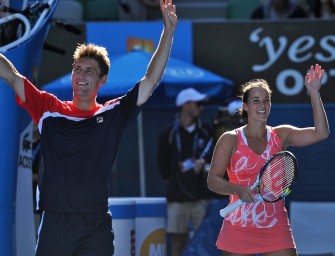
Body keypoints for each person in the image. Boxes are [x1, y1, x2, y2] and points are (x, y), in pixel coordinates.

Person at [0, 0, 177, 255]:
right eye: (78, 69)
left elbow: (150, 81)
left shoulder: (113, 113)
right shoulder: (48, 108)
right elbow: (11, 76)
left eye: (89, 71)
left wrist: (168, 32)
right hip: (55, 222)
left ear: (102, 80)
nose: (81, 76)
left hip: (96, 225)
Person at [207, 64, 329, 255]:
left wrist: (314, 92)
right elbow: (213, 180)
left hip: (275, 226)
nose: (262, 105)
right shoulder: (230, 139)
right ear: (245, 106)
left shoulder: (281, 135)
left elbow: (321, 133)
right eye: (256, 101)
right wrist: (237, 189)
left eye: (266, 100)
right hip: (238, 227)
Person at [157, 88, 214, 256]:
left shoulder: (207, 130)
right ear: (185, 105)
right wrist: (176, 179)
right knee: (177, 244)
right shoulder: (167, 133)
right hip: (177, 198)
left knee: (205, 241)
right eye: (198, 103)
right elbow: (162, 165)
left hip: (202, 197)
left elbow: (215, 157)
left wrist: (204, 164)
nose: (201, 107)